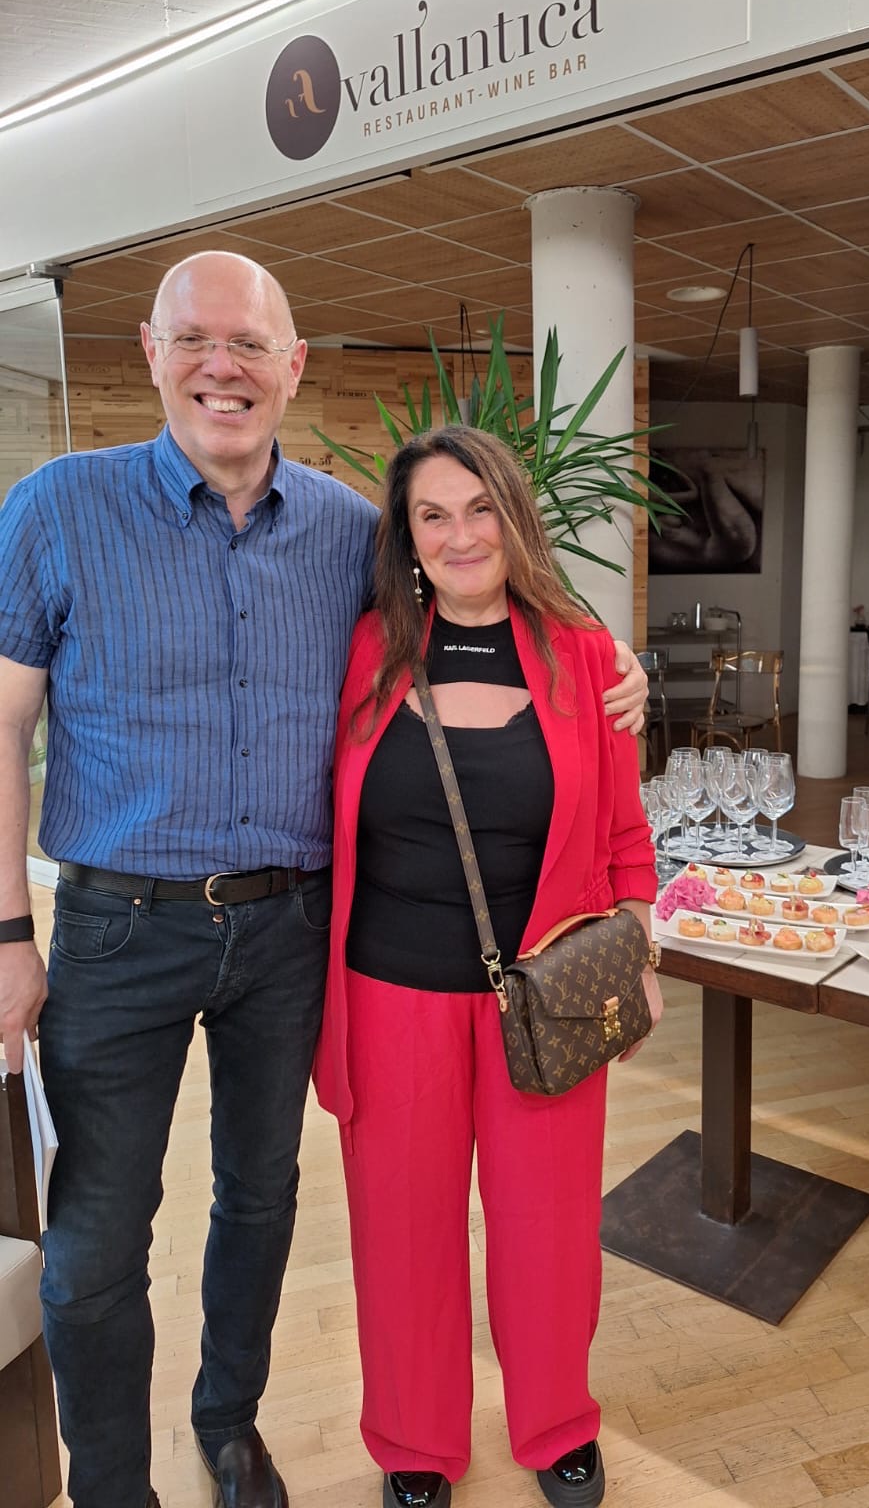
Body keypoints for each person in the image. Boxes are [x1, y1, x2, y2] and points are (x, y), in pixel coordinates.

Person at [0, 251, 648, 1508]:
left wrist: (617, 662)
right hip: (127, 930)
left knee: (261, 1201)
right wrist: (4, 933)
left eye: (250, 342)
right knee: (96, 1244)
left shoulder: (351, 538)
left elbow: (513, 635)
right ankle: (120, 1487)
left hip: (292, 932)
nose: (222, 366)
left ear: (293, 366)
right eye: (196, 340)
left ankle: (232, 1428)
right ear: (151, 353)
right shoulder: (61, 508)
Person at [311, 425, 661, 1508]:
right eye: (433, 514)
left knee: (547, 1228)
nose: (460, 535)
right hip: (388, 995)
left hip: (549, 995)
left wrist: (640, 949)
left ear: (514, 519)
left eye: (479, 509)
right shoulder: (367, 648)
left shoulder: (586, 657)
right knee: (401, 1232)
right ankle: (414, 1441)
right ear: (407, 536)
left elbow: (624, 829)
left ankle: (558, 1422)